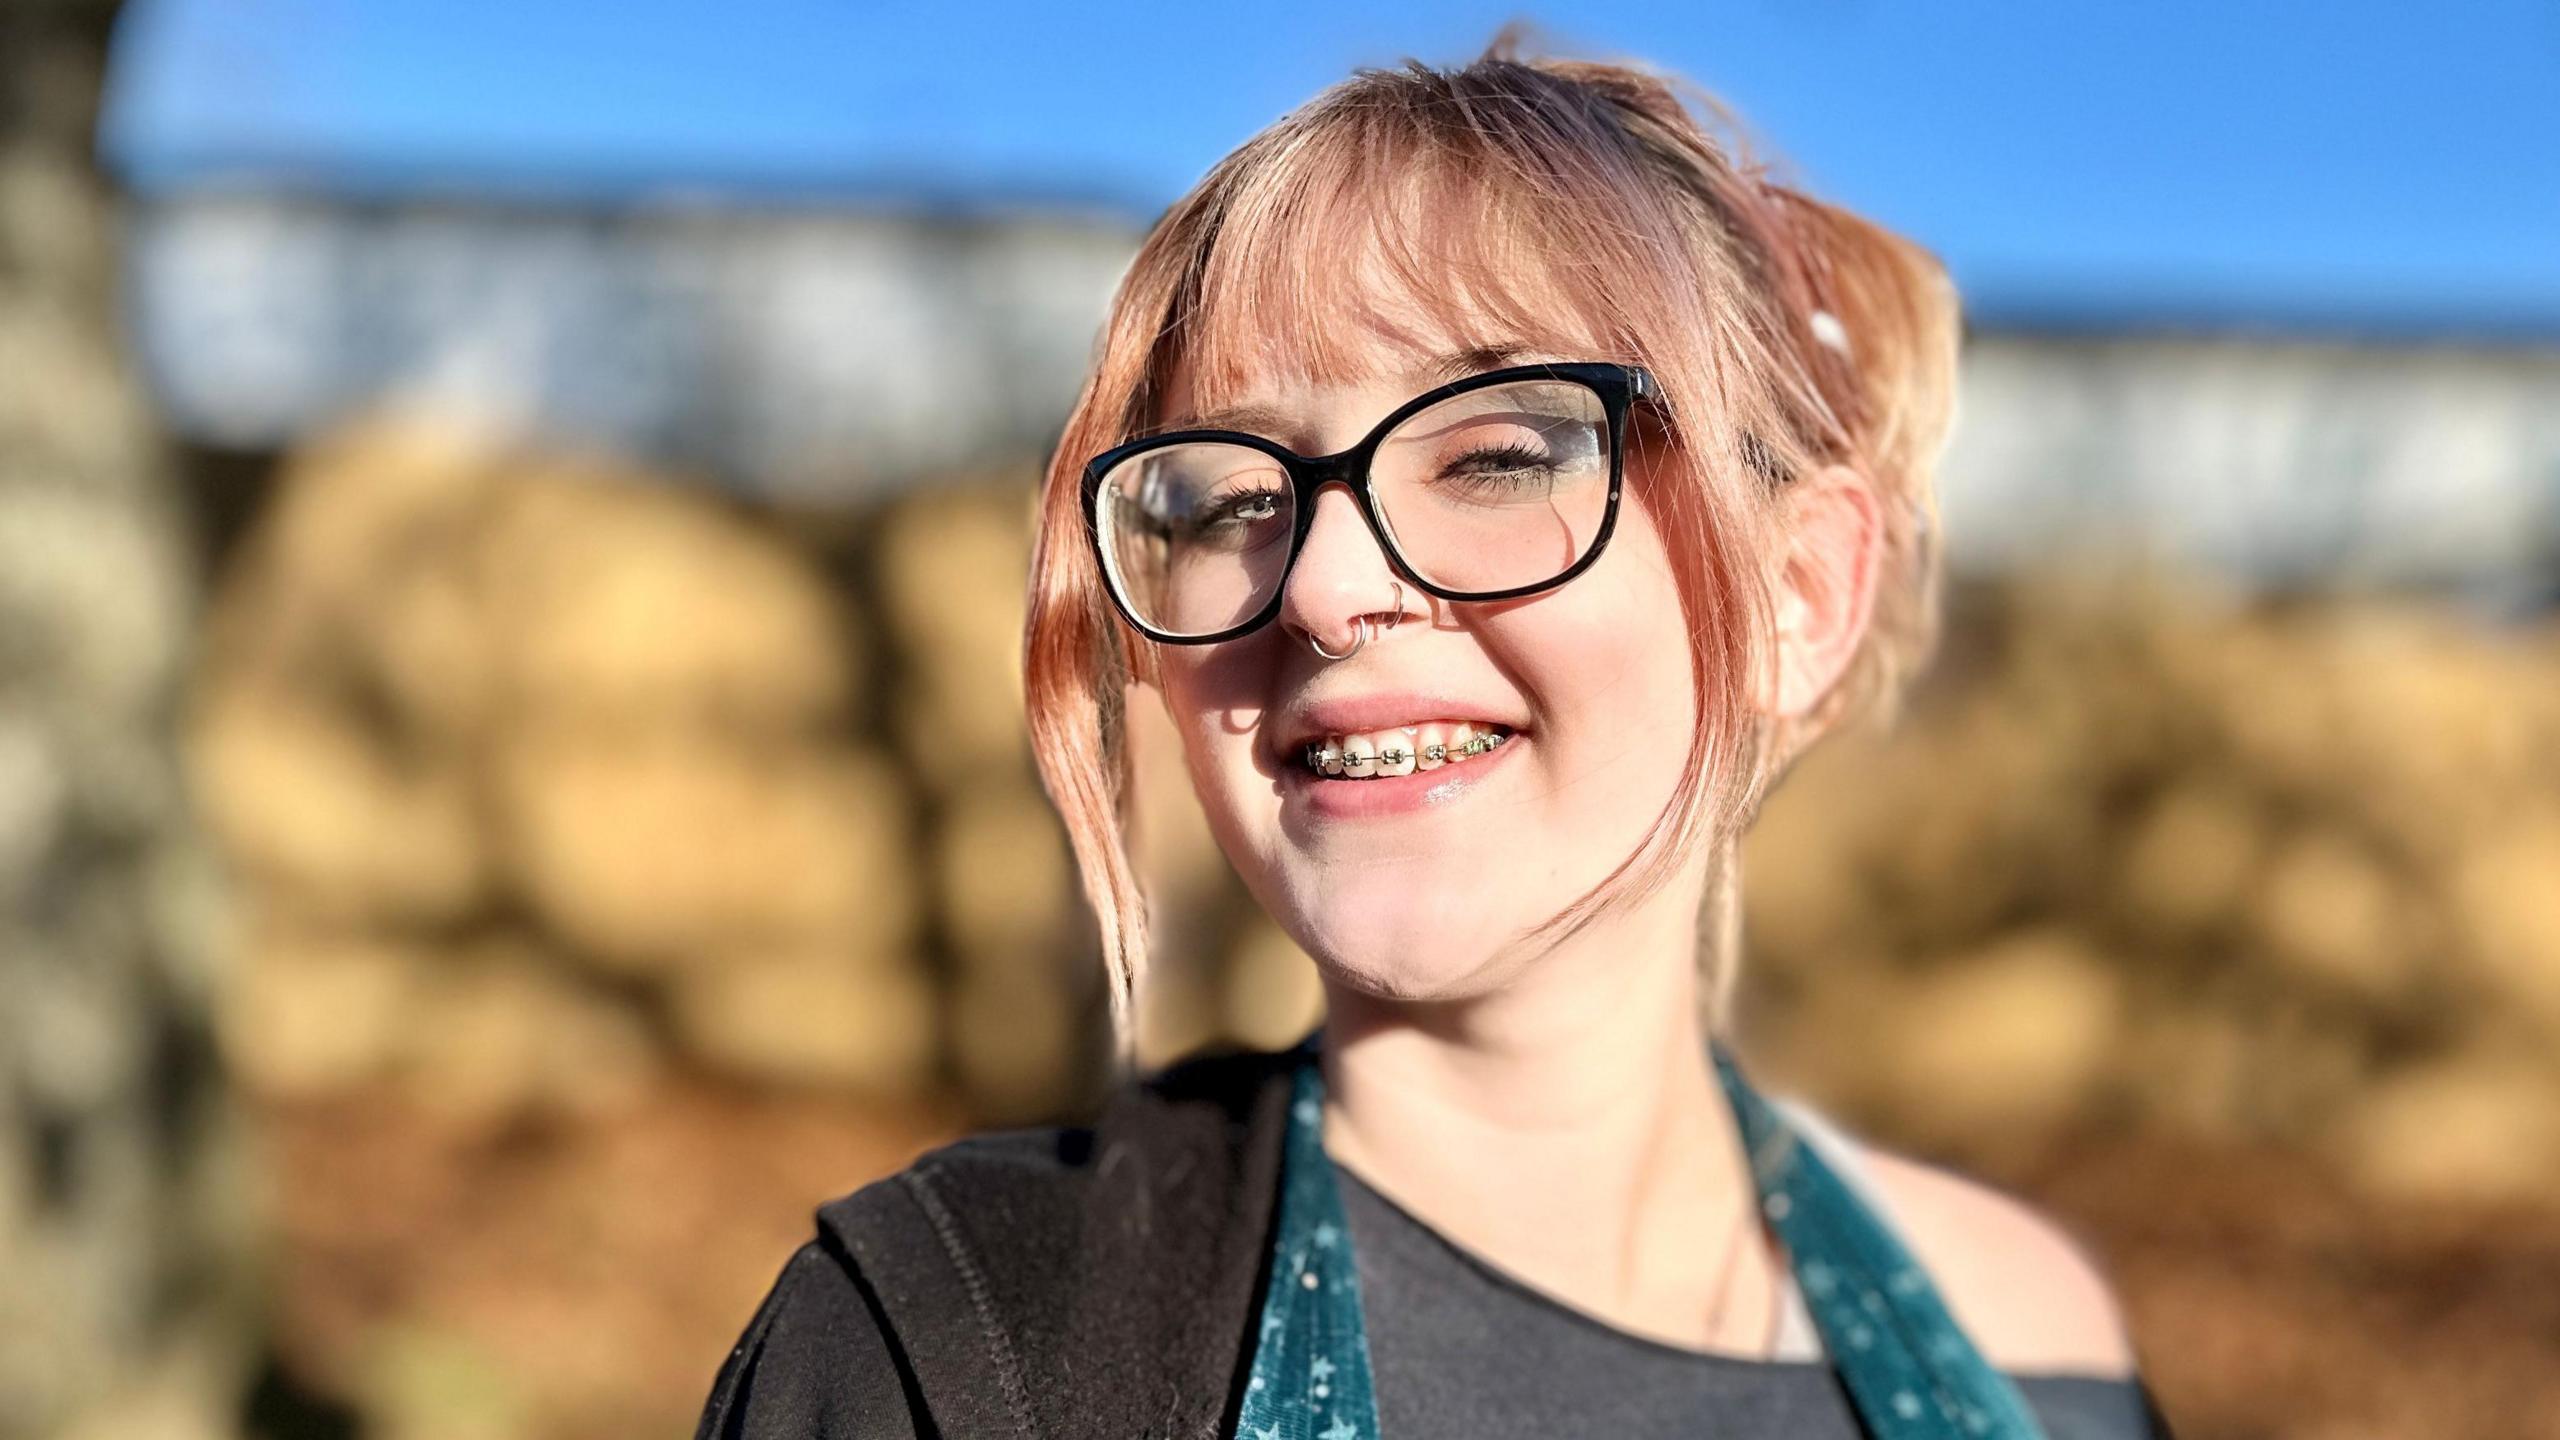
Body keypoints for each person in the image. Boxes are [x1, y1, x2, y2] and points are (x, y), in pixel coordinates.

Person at [695, 36, 2178, 1440]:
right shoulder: (960, 1350)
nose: (1328, 586)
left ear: (1799, 595)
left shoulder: (2036, 1348)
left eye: (1496, 454)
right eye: (1230, 498)